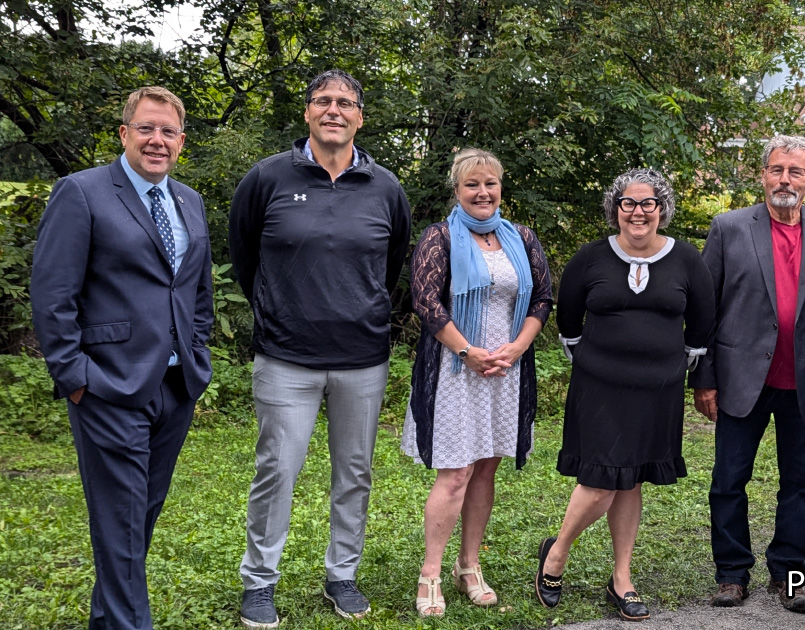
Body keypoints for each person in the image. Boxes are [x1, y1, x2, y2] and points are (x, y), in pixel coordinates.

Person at [228, 69, 411, 628]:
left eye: (346, 102)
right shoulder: (267, 178)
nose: (334, 109)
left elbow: (393, 265)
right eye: (323, 100)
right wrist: (280, 311)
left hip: (363, 358)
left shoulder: (386, 188)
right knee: (277, 471)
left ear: (360, 116)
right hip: (285, 358)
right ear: (307, 111)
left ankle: (342, 576)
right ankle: (259, 583)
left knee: (354, 474)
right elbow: (243, 259)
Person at [30, 86, 213, 630]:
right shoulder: (82, 193)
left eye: (169, 132)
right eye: (147, 129)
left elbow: (196, 289)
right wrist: (75, 376)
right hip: (108, 386)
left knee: (136, 520)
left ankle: (107, 619)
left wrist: (196, 347)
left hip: (175, 387)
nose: (158, 141)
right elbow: (52, 293)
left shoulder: (189, 200)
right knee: (123, 523)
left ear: (181, 140)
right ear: (124, 133)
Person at [536, 168, 715, 621]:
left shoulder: (687, 259)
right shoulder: (591, 257)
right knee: (599, 482)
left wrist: (681, 362)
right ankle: (555, 555)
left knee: (632, 479)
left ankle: (622, 577)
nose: (638, 212)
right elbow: (569, 318)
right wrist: (595, 360)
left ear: (662, 209)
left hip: (658, 389)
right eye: (628, 203)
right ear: (615, 208)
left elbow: (701, 320)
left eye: (647, 203)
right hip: (599, 386)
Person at [690, 135, 805, 612]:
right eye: (777, 169)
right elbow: (706, 309)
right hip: (741, 378)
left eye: (795, 171)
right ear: (762, 174)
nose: (785, 179)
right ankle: (731, 573)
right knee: (727, 480)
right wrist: (703, 377)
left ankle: (790, 573)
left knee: (802, 484)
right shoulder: (729, 227)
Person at [402, 148, 552, 617]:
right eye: (472, 185)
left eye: (490, 183)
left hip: (505, 370)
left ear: (500, 187)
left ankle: (469, 567)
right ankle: (431, 573)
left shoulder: (520, 238)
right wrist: (467, 352)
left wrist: (518, 347)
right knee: (456, 472)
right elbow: (426, 303)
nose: (483, 192)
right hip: (456, 370)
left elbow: (543, 299)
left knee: (486, 468)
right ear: (457, 190)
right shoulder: (440, 237)